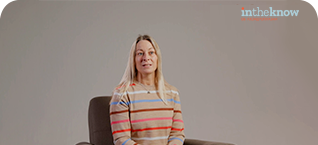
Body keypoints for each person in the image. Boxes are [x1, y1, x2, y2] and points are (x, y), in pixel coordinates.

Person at [109, 34, 185, 145]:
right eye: (140, 53)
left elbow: (177, 134)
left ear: (157, 58)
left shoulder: (172, 93)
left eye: (151, 53)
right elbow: (121, 139)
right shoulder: (122, 94)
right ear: (133, 60)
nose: (146, 58)